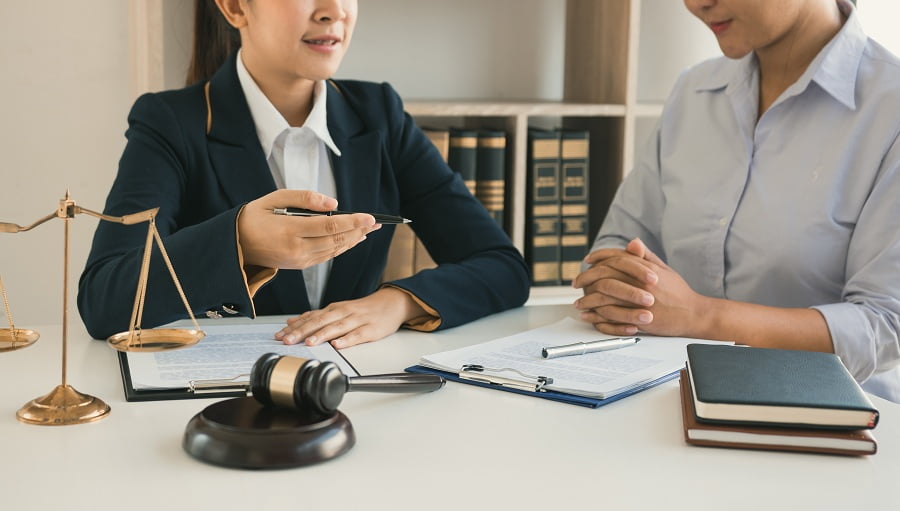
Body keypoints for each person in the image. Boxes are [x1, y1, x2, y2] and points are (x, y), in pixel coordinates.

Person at [77, 0, 529, 349]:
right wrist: (239, 242)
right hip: (222, 407)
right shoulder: (170, 122)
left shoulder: (380, 115)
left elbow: (503, 267)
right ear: (235, 7)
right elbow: (104, 300)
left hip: (352, 395)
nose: (333, 11)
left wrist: (397, 303)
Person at [573, 0, 900, 402]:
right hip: (666, 404)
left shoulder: (890, 110)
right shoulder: (693, 91)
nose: (696, 4)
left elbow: (884, 327)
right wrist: (619, 287)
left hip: (829, 423)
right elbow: (620, 242)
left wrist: (701, 317)